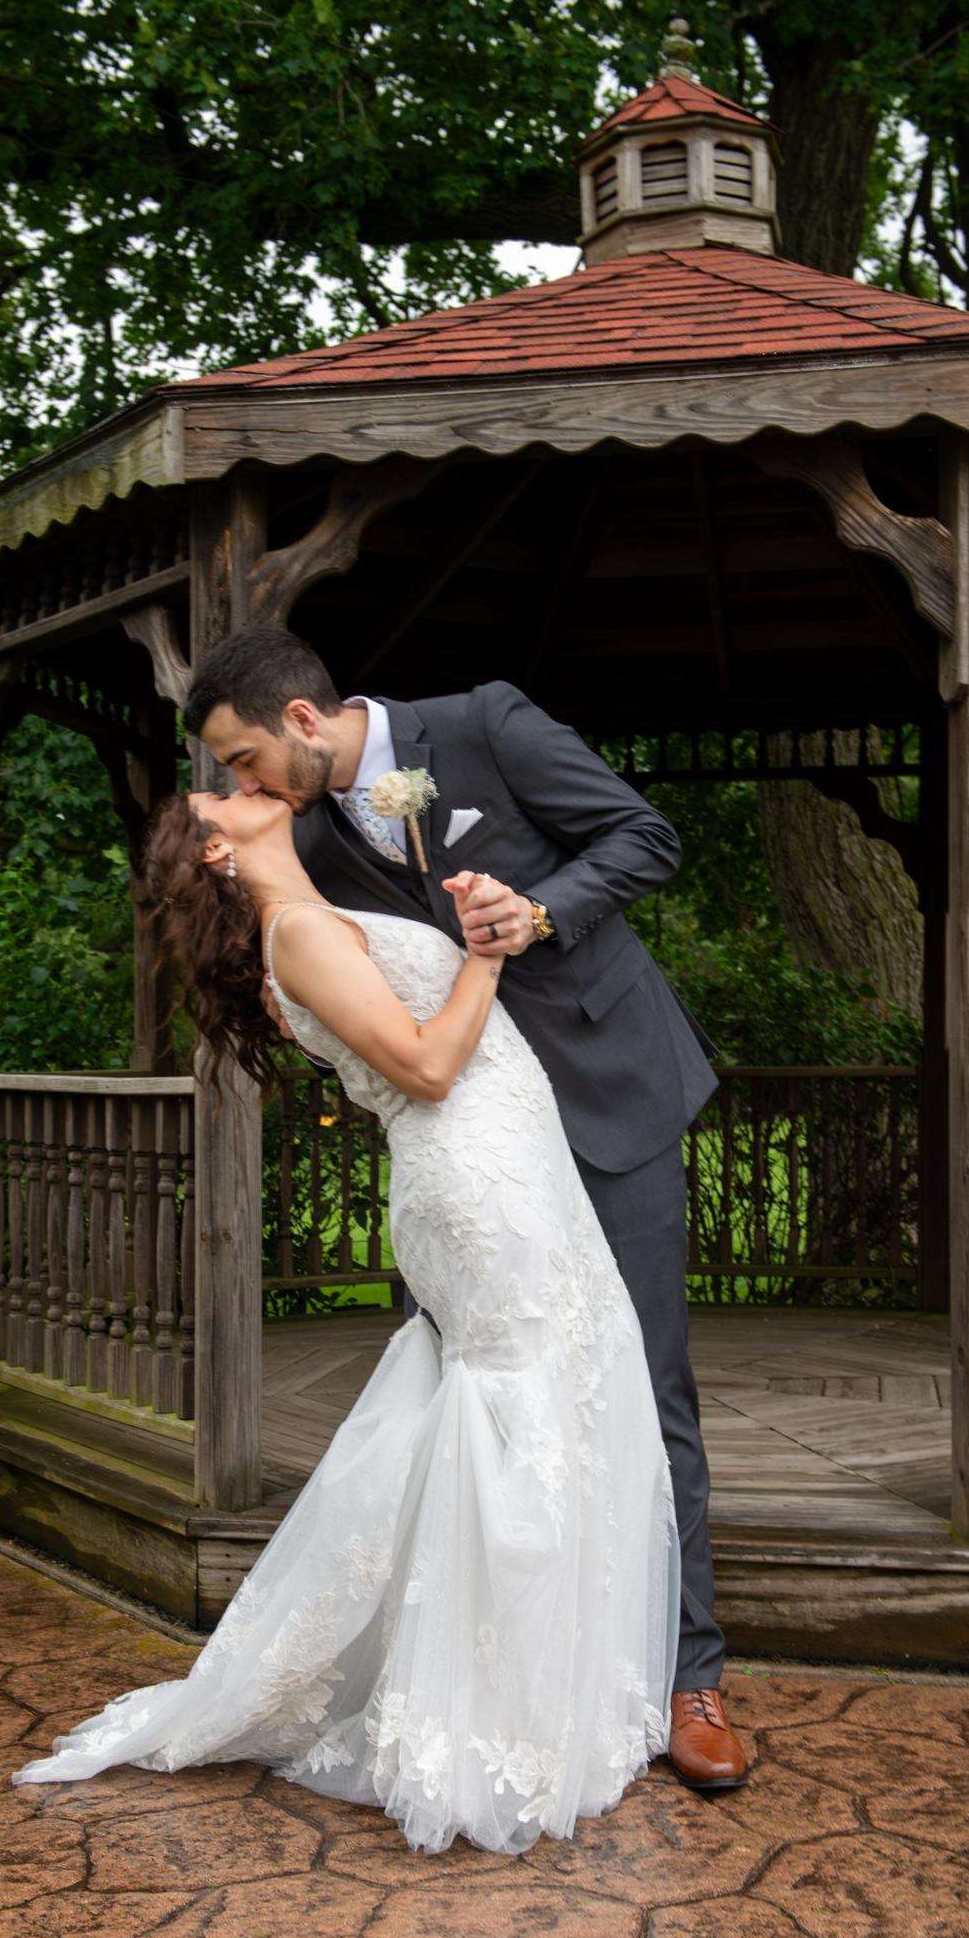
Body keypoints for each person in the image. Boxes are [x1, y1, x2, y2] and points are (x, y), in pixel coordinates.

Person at [13, 782, 684, 1856]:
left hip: (516, 1167)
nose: (238, 782)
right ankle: (491, 1722)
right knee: (519, 1419)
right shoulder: (298, 934)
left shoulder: (313, 918)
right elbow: (428, 1067)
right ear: (218, 852)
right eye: (217, 792)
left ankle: (541, 1699)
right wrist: (483, 956)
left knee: (559, 1397)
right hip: (478, 1186)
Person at [185, 626, 745, 1791]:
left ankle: (688, 1676)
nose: (242, 784)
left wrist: (535, 912)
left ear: (301, 719)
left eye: (242, 758)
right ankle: (511, 1679)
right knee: (488, 1403)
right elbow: (336, 982)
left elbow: (645, 836)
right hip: (477, 1154)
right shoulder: (303, 841)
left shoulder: (485, 723)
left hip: (603, 1097)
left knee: (647, 1384)